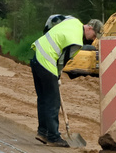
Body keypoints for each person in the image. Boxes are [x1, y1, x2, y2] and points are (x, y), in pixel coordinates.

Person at [30, 15, 103, 145]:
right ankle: (53, 137)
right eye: (94, 35)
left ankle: (43, 132)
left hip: (37, 55)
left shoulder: (72, 20)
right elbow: (62, 61)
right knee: (53, 101)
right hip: (47, 61)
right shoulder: (76, 42)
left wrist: (46, 33)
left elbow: (53, 18)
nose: (93, 39)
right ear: (90, 28)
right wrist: (57, 76)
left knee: (43, 98)